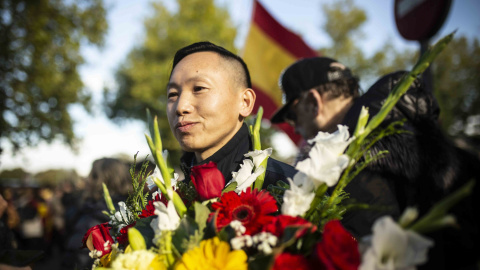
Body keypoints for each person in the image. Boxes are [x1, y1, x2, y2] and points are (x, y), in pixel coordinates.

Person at [270, 57, 479, 269]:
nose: (294, 127)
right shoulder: (420, 136)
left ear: (314, 101)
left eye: (292, 115)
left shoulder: (356, 165)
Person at [166, 41, 296, 188]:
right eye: (173, 94)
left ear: (245, 102)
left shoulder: (290, 190)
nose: (180, 107)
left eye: (199, 88)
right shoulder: (169, 202)